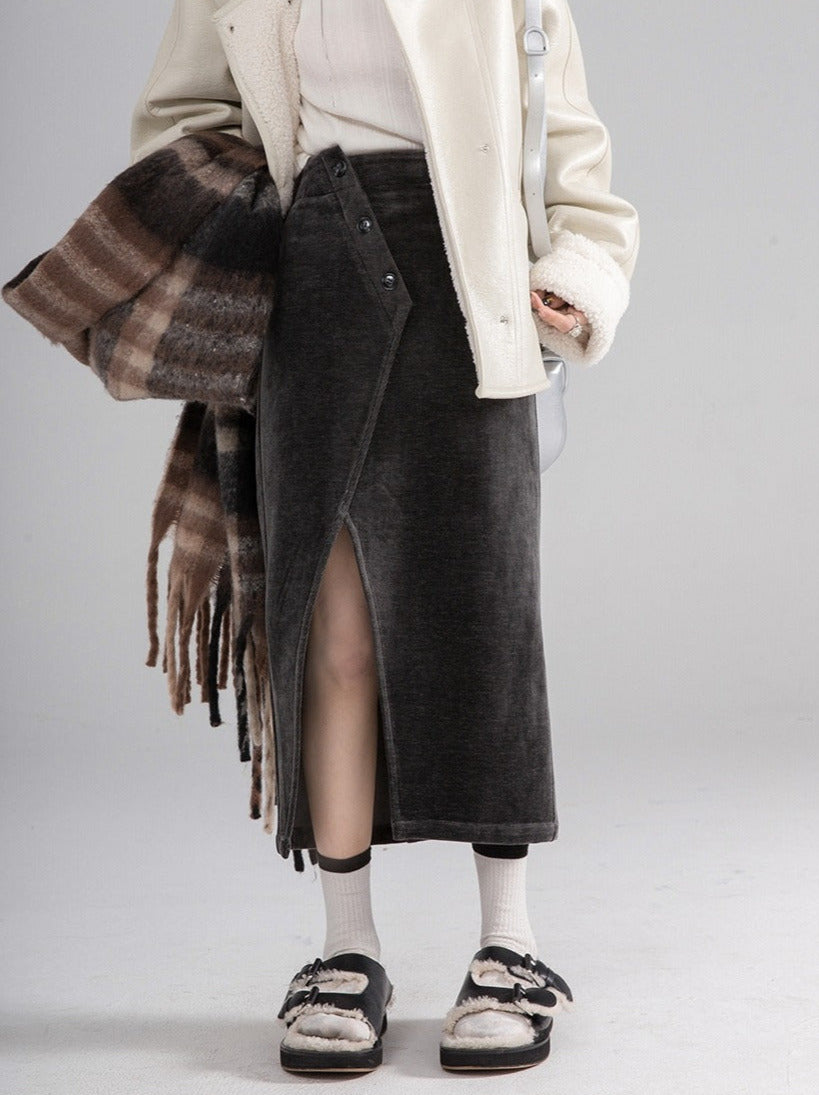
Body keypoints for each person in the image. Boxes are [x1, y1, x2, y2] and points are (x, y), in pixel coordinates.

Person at [130, 0, 639, 1074]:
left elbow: (573, 148)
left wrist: (574, 274)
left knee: (486, 619)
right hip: (311, 288)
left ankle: (509, 945)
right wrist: (234, 235)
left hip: (472, 284)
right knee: (336, 634)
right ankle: (346, 947)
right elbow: (178, 124)